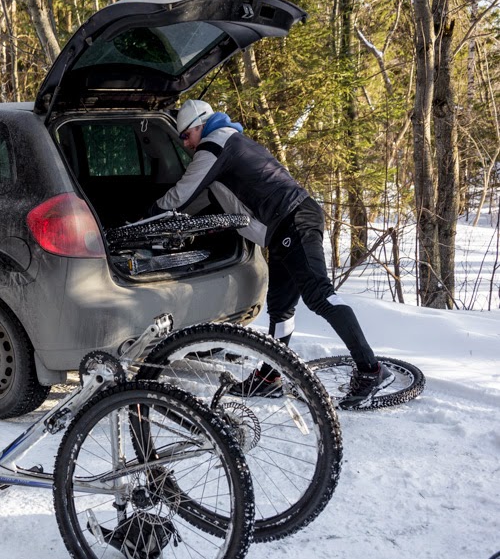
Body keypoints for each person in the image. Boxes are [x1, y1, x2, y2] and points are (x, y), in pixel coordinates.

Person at [151, 99, 394, 409]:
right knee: (281, 308)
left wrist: (147, 216)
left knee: (319, 295)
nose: (185, 144)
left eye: (185, 136)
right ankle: (270, 378)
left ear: (199, 125)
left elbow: (183, 194)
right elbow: (209, 202)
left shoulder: (215, 143)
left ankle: (371, 370)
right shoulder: (228, 143)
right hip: (284, 228)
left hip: (294, 220)